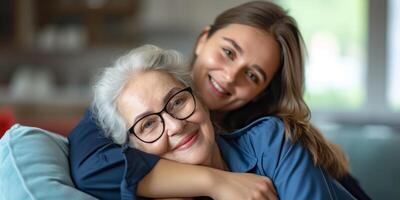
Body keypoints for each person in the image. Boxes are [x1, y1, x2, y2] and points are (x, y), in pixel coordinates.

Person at [69, 1, 370, 199]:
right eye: (228, 52)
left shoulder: (269, 138)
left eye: (252, 75)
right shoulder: (132, 94)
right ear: (203, 40)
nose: (229, 76)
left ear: (262, 92)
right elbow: (92, 168)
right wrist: (215, 181)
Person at [93, 44, 356, 199]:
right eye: (148, 125)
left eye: (177, 102)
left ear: (201, 99)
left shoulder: (271, 140)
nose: (175, 125)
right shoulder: (138, 189)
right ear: (135, 149)